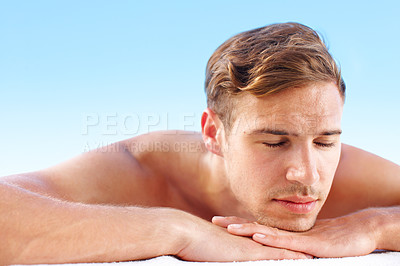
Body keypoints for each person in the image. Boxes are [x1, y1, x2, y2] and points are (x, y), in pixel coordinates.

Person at [1, 22, 399, 264]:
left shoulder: (349, 173)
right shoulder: (141, 170)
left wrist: (374, 226)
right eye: (276, 143)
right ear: (213, 134)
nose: (308, 173)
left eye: (325, 142)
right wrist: (177, 230)